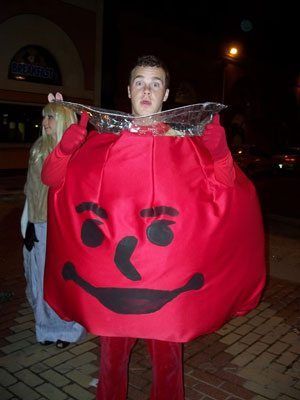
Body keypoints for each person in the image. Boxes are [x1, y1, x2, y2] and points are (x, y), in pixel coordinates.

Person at [41, 56, 266, 399]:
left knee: (168, 365)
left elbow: (226, 188)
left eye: (155, 83)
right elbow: (53, 180)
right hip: (112, 282)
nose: (147, 90)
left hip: (165, 279)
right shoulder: (102, 143)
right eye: (140, 82)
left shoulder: (184, 144)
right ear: (129, 90)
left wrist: (220, 155)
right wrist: (64, 141)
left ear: (166, 93)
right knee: (111, 365)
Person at [21, 93, 86, 349]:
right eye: (44, 116)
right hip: (38, 221)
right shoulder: (37, 148)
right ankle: (46, 328)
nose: (45, 121)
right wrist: (27, 222)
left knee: (62, 280)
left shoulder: (75, 153)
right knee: (38, 277)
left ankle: (69, 330)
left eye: (50, 117)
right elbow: (30, 189)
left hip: (62, 226)